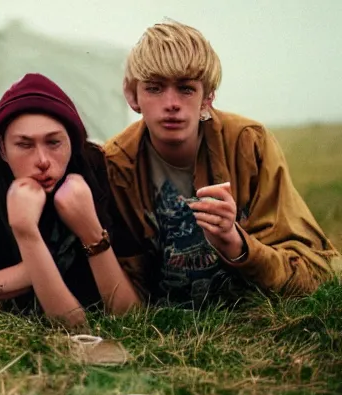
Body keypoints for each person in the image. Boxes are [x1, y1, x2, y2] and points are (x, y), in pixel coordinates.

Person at [103, 20, 341, 306]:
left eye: (186, 89)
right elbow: (123, 279)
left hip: (250, 316)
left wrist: (236, 243)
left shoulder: (248, 143)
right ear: (132, 95)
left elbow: (316, 269)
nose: (171, 103)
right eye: (154, 88)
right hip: (167, 329)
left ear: (208, 96)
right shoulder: (116, 162)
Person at [0, 73, 141, 326]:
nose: (43, 161)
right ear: (2, 149)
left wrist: (89, 229)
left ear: (73, 141)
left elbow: (130, 316)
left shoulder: (96, 170)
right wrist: (27, 234)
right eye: (25, 145)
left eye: (54, 142)